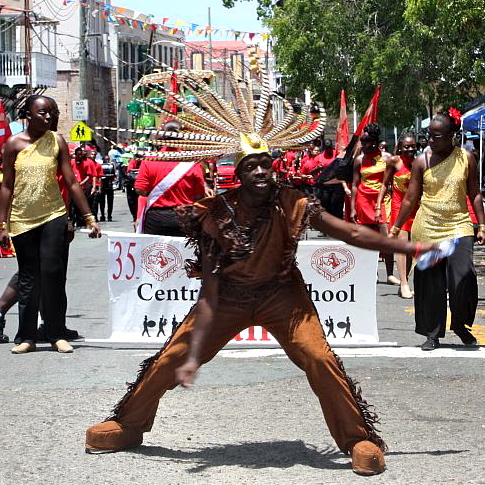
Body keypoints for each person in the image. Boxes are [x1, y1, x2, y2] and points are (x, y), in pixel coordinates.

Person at [84, 73, 436, 475]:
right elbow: (210, 295)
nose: (260, 173)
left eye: (266, 165)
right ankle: (127, 426)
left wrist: (408, 246)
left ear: (274, 168)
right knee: (170, 357)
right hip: (229, 299)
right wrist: (193, 354)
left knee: (320, 358)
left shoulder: (295, 201)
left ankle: (358, 439)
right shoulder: (216, 214)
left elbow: (353, 232)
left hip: (283, 297)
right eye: (251, 166)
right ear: (239, 171)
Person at [0, 95, 101, 354]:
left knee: (53, 274)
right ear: (29, 115)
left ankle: (56, 334)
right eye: (43, 112)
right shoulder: (13, 144)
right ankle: (26, 336)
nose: (48, 117)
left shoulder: (56, 141)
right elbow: (7, 186)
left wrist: (88, 217)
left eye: (52, 112)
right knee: (28, 278)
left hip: (53, 215)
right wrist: (3, 223)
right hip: (22, 219)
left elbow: (72, 182)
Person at [391, 110, 485, 350]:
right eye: (429, 136)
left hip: (459, 223)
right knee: (430, 284)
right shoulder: (422, 161)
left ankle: (460, 324)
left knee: (463, 277)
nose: (431, 140)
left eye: (437, 136)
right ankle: (432, 333)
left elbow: (474, 193)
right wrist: (396, 227)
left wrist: (482, 224)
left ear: (453, 135)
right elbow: (411, 198)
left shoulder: (467, 158)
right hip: (428, 226)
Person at [135, 120, 207, 236]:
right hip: (184, 217)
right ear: (183, 138)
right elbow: (199, 196)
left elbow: (141, 191)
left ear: (162, 138)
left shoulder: (149, 160)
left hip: (156, 219)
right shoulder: (193, 163)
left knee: (154, 252)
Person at [351, 124, 399, 285]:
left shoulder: (387, 158)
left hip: (383, 200)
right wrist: (352, 207)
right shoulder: (358, 160)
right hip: (363, 201)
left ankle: (390, 274)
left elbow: (393, 180)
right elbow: (354, 184)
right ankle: (373, 273)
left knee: (386, 238)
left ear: (374, 142)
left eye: (366, 142)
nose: (363, 145)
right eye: (362, 142)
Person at [376, 133, 418, 299]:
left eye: (412, 146)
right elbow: (385, 184)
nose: (410, 149)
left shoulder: (419, 162)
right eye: (407, 146)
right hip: (399, 207)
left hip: (415, 208)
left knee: (410, 249)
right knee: (401, 244)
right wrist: (379, 205)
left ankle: (404, 280)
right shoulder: (394, 162)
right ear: (400, 147)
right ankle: (404, 284)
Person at [314, 139, 351, 219]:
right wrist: (317, 168)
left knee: (337, 206)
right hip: (325, 186)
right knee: (326, 204)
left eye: (330, 148)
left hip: (337, 185)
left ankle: (338, 223)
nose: (328, 150)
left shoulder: (337, 155)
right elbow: (312, 172)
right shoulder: (319, 157)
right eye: (327, 148)